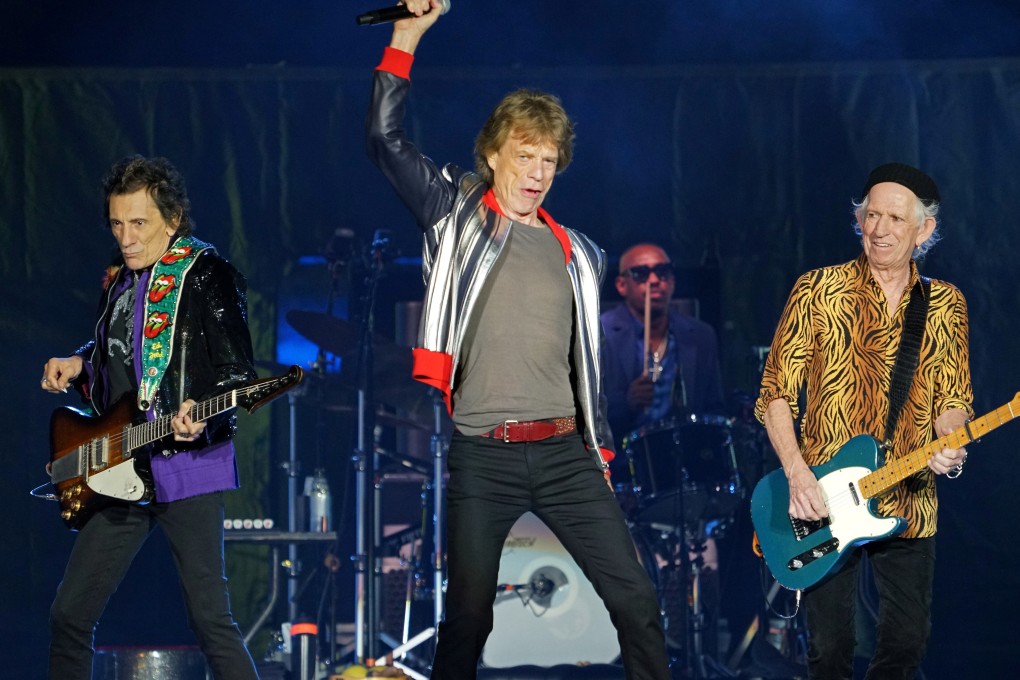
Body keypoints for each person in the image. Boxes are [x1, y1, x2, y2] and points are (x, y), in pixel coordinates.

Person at [365, 2, 670, 679]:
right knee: (469, 615)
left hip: (566, 454)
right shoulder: (456, 214)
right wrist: (406, 36)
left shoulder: (580, 254)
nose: (536, 172)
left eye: (550, 161)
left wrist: (602, 442)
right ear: (493, 155)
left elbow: (583, 366)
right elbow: (385, 142)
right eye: (524, 155)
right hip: (485, 456)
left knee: (637, 600)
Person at [40, 155, 260, 680]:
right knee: (69, 615)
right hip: (120, 463)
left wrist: (200, 416)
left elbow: (237, 372)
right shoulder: (118, 280)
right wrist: (78, 361)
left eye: (138, 223)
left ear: (173, 218)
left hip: (188, 465)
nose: (126, 237)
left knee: (211, 621)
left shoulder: (207, 273)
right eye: (117, 224)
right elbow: (117, 352)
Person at [754, 162, 972, 678]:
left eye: (895, 219)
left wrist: (951, 441)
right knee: (829, 650)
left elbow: (955, 398)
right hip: (824, 497)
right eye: (871, 216)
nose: (879, 230)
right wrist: (795, 471)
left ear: (925, 230)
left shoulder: (945, 304)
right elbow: (774, 392)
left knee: (906, 645)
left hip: (909, 496)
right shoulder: (817, 290)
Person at [601, 243, 726, 659]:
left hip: (681, 473)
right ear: (621, 284)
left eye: (663, 272)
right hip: (619, 474)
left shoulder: (698, 336)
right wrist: (623, 404)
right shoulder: (600, 332)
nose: (655, 280)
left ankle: (703, 652)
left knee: (717, 552)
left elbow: (713, 409)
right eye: (641, 273)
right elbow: (579, 412)